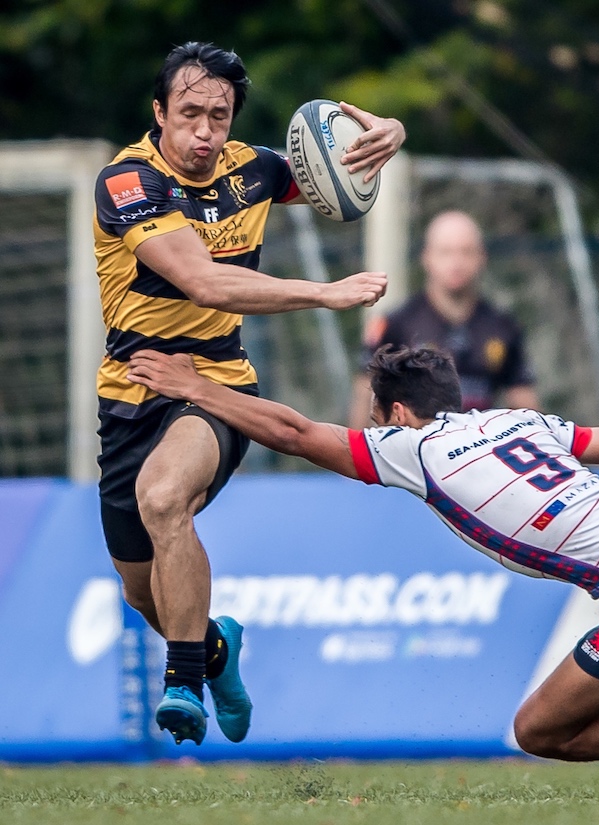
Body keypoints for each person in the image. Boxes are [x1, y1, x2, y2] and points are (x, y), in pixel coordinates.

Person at [128, 344, 599, 797]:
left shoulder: (414, 448)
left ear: (395, 413)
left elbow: (297, 434)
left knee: (540, 730)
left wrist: (195, 388)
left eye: (375, 416)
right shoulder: (516, 420)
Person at [94, 41, 405, 746]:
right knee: (144, 591)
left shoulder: (255, 170)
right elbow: (202, 280)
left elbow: (335, 168)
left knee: (164, 496)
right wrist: (322, 294)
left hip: (217, 387)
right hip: (131, 393)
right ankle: (214, 650)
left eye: (220, 116)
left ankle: (182, 685)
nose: (205, 132)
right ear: (159, 113)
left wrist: (390, 135)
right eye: (190, 114)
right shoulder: (126, 183)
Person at [349, 210, 540, 427]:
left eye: (466, 252)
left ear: (482, 257)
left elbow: (525, 406)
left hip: (478, 452)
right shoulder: (396, 324)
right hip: (415, 452)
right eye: (445, 252)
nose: (456, 262)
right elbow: (365, 397)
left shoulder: (503, 326)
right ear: (427, 257)